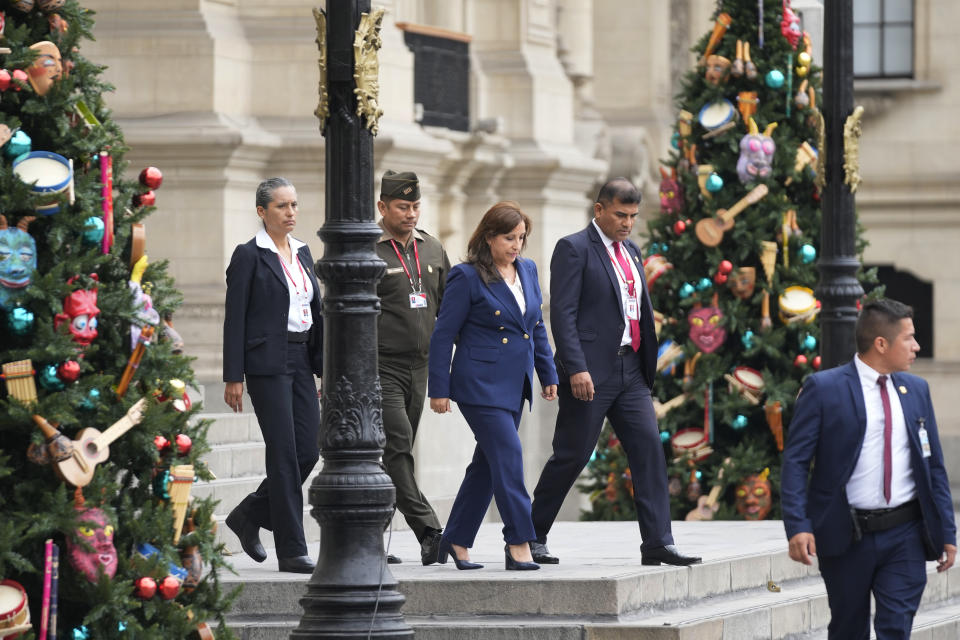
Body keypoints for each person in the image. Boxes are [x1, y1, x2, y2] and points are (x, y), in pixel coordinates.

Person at [528, 178, 700, 567]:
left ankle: (657, 541)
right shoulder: (573, 249)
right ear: (599, 210)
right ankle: (530, 534)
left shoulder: (633, 251)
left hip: (631, 370)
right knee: (571, 455)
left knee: (649, 451)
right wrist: (576, 368)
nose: (627, 223)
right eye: (620, 215)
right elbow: (563, 314)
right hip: (590, 373)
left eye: (633, 216)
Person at [781, 298, 956, 639]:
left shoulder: (916, 390)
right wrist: (798, 525)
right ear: (881, 344)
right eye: (909, 337)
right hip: (847, 535)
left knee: (895, 626)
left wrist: (947, 532)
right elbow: (796, 462)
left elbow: (933, 465)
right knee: (848, 628)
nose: (917, 346)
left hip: (905, 533)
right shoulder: (824, 389)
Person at [428, 201, 558, 571]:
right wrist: (439, 388)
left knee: (487, 465)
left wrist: (548, 374)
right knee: (509, 457)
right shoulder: (467, 276)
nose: (516, 245)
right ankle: (519, 542)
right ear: (488, 237)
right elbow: (443, 335)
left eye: (521, 237)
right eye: (508, 237)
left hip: (515, 383)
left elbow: (535, 327)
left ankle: (455, 539)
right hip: (479, 383)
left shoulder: (528, 270)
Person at [222, 177, 323, 574]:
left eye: (294, 205)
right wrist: (234, 375)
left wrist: (322, 369)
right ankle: (292, 549)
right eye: (282, 206)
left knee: (307, 450)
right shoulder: (249, 255)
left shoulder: (303, 253)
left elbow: (315, 313)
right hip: (266, 363)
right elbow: (236, 318)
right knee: (282, 454)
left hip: (300, 358)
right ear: (262, 212)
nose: (291, 213)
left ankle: (249, 513)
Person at [375, 170, 450, 565]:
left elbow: (450, 307)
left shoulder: (433, 249)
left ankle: (367, 539)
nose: (411, 214)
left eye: (416, 206)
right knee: (398, 446)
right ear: (382, 207)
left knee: (394, 453)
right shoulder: (368, 250)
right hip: (380, 369)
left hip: (420, 368)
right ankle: (430, 531)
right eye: (403, 207)